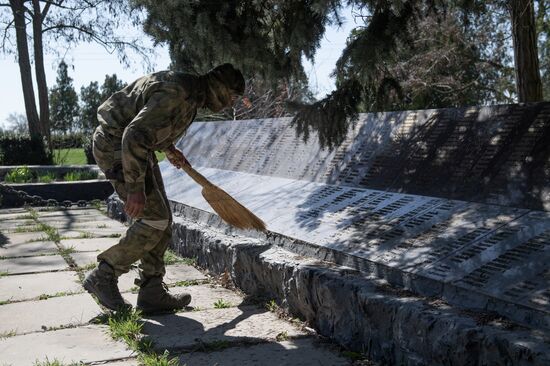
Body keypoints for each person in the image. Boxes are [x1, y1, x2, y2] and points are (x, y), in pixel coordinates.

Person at [83, 63, 246, 313]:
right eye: (232, 97)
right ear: (220, 88)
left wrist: (169, 148)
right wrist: (135, 188)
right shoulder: (178, 94)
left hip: (136, 150)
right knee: (153, 219)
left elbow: (153, 126)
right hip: (118, 148)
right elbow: (134, 134)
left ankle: (152, 290)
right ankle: (103, 275)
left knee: (163, 219)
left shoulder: (192, 94)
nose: (230, 104)